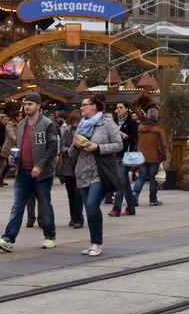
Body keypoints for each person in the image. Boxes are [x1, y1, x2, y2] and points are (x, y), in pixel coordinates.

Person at [0, 92, 59, 252]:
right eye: (25, 104)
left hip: (42, 174)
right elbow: (19, 146)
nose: (26, 107)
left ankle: (50, 236)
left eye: (30, 104)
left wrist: (40, 166)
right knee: (17, 205)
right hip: (23, 171)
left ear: (38, 106)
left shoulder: (48, 124)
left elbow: (52, 148)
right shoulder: (21, 125)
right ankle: (8, 238)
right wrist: (13, 158)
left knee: (44, 205)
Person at [69, 94, 123, 257]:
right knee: (89, 209)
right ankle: (94, 242)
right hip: (83, 171)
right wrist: (76, 146)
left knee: (92, 204)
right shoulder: (81, 125)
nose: (81, 107)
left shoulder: (107, 124)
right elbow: (72, 153)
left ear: (93, 106)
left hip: (100, 171)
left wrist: (98, 147)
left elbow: (118, 145)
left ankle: (97, 243)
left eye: (84, 105)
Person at [109, 102, 139, 217]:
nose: (118, 109)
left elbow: (134, 140)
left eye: (121, 107)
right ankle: (131, 209)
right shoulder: (113, 121)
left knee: (120, 182)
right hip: (115, 154)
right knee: (125, 183)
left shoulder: (132, 122)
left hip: (126, 155)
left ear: (126, 109)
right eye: (117, 107)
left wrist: (123, 135)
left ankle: (116, 208)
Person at [133, 108, 168, 206]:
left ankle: (134, 194)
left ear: (148, 116)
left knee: (141, 176)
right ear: (156, 116)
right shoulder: (158, 129)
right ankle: (153, 200)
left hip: (142, 156)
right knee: (153, 178)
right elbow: (164, 145)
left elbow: (137, 141)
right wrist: (164, 156)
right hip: (154, 156)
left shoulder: (140, 128)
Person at [59, 110, 83, 229]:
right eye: (73, 121)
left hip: (80, 164)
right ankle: (73, 217)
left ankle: (79, 219)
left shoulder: (84, 130)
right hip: (68, 165)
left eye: (77, 121)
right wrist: (66, 150)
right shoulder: (67, 131)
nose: (75, 124)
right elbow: (62, 145)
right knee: (70, 194)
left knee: (78, 194)